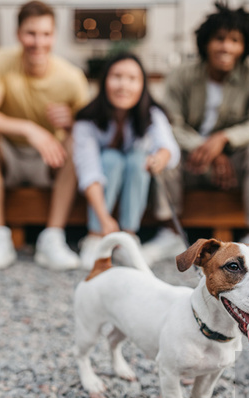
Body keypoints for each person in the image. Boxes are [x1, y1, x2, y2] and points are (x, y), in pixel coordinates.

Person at [142, 1, 249, 264]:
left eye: (235, 40)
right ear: (205, 42)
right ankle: (169, 232)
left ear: (245, 45)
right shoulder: (181, 76)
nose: (226, 46)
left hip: (235, 165)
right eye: (219, 39)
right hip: (191, 162)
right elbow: (169, 124)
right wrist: (206, 148)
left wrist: (223, 140)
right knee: (164, 150)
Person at [0, 1, 90, 270]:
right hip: (8, 154)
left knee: (79, 139)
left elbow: (92, 130)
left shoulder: (70, 77)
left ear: (54, 36)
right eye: (31, 34)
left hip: (49, 161)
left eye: (45, 34)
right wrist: (28, 128)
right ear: (18, 34)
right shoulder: (0, 60)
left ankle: (52, 238)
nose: (38, 42)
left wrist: (70, 123)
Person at [72, 52, 180, 269]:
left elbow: (170, 149)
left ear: (142, 85)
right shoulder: (87, 119)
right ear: (104, 82)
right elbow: (88, 171)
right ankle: (95, 236)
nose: (124, 85)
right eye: (117, 76)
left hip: (137, 178)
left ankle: (129, 237)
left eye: (132, 79)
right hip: (103, 184)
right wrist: (104, 219)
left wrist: (158, 158)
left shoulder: (152, 114)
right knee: (111, 158)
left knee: (137, 159)